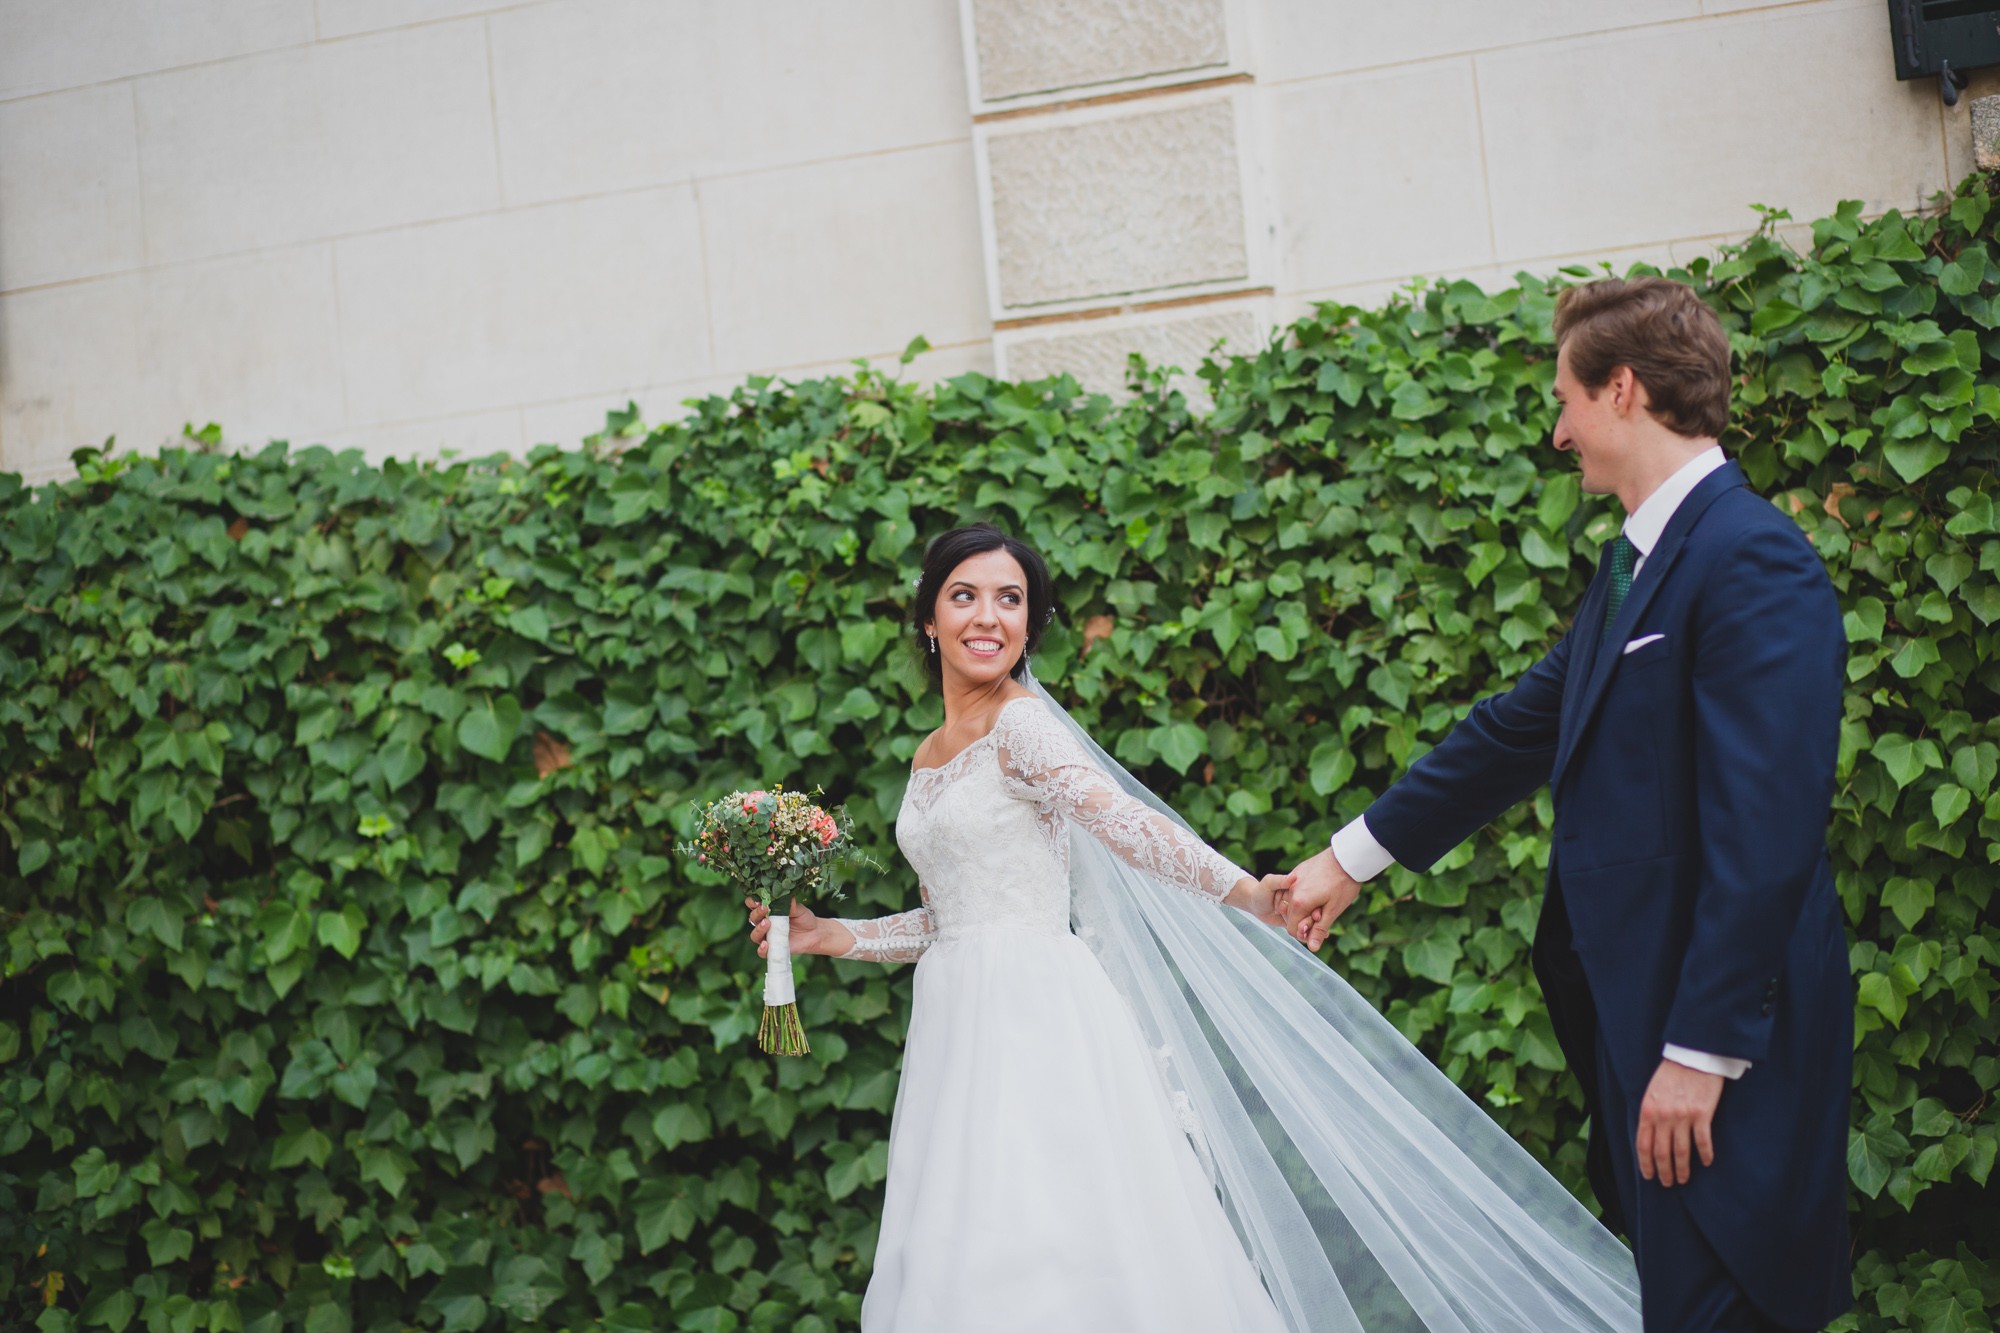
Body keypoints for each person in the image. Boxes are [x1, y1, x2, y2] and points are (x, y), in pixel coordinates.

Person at [747, 523, 1646, 1333]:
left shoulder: (1024, 728)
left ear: (1031, 624)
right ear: (929, 620)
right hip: (957, 1025)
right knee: (961, 1238)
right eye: (965, 595)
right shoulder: (931, 753)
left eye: (1011, 599)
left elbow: (1121, 822)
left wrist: (1245, 892)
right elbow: (952, 917)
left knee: (1046, 1241)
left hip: (1034, 1018)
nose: (989, 616)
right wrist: (836, 936)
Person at [1283, 277, 1852, 1333]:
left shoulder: (1751, 560)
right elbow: (1511, 731)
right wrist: (1343, 862)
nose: (1557, 433)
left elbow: (1764, 832)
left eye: (1564, 399)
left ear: (1620, 388)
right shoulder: (1629, 570)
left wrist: (1698, 1051)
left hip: (1721, 1053)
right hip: (1644, 1035)